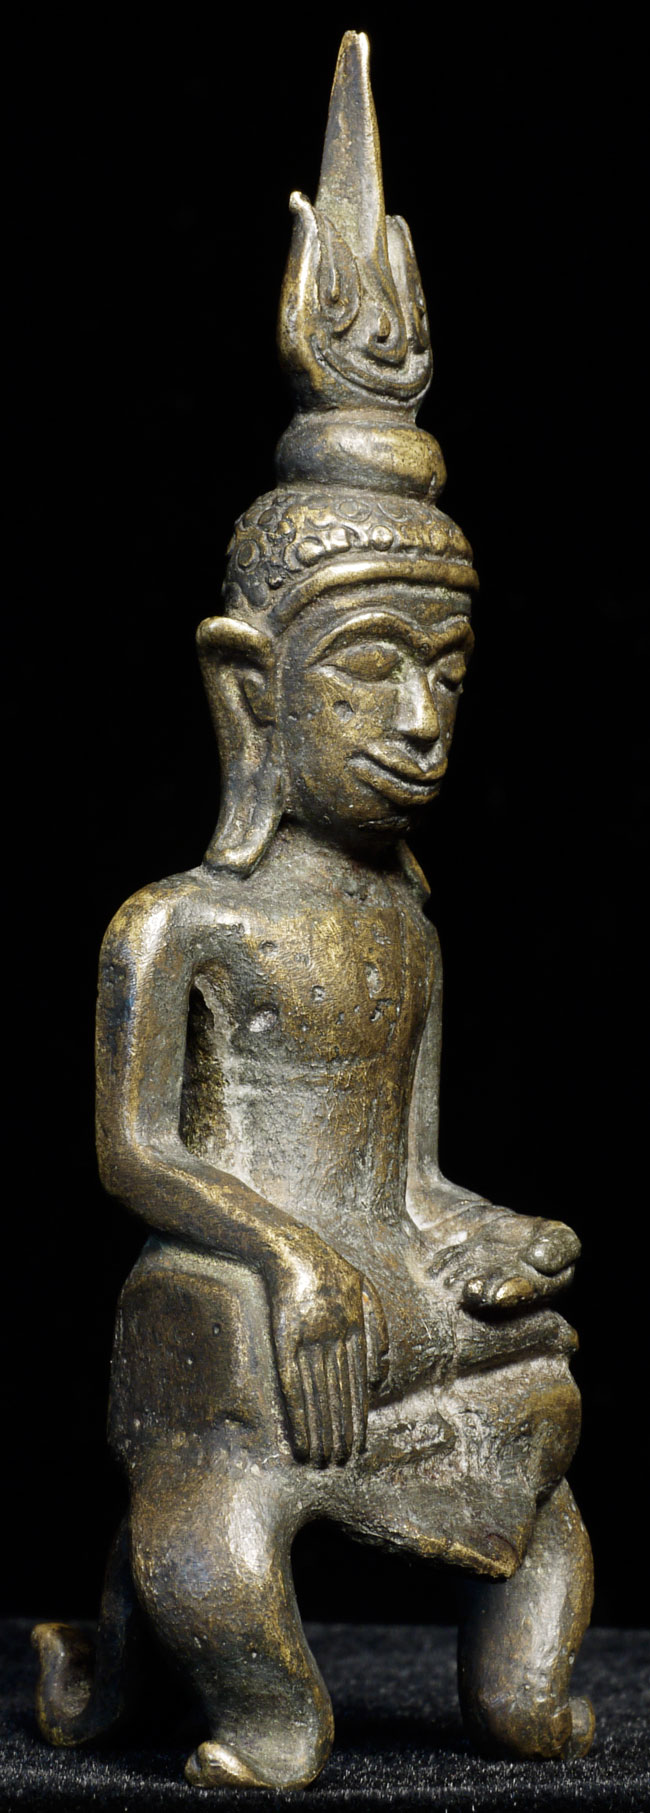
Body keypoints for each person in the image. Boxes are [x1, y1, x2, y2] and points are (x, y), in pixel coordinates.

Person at [33, 31, 594, 1790]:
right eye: (371, 673)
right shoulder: (173, 926)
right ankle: (265, 1697)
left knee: (541, 1357)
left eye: (449, 674)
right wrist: (285, 1249)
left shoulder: (406, 924)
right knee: (247, 1368)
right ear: (248, 690)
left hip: (377, 1283)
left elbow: (408, 1169)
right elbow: (136, 1152)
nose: (423, 720)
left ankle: (518, 1686)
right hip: (241, 1291)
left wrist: (489, 1234)